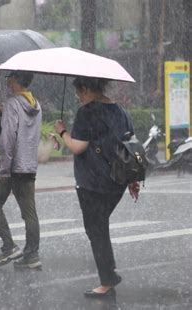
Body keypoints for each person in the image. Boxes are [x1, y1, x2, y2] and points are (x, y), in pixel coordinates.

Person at [54, 77, 140, 298]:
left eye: (80, 92)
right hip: (117, 182)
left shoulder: (87, 112)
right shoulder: (121, 111)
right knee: (99, 227)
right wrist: (133, 179)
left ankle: (107, 280)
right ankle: (109, 275)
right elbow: (130, 145)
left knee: (96, 230)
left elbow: (77, 147)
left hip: (92, 183)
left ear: (88, 88)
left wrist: (62, 132)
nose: (78, 96)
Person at [0, 71, 43, 269]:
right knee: (30, 213)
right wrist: (2, 116)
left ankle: (9, 246)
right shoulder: (36, 104)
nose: (7, 80)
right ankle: (32, 255)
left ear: (17, 80)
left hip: (12, 166)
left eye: (10, 77)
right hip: (28, 166)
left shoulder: (13, 104)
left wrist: (3, 168)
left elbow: (7, 139)